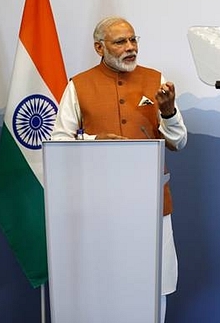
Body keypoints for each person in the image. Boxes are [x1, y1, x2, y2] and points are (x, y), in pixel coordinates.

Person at [51, 16, 187, 322]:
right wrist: (94, 140)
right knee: (99, 284)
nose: (130, 48)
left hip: (151, 204)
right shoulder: (79, 85)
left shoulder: (156, 80)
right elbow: (59, 142)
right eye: (120, 42)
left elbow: (178, 142)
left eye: (133, 40)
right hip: (97, 206)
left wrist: (168, 112)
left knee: (153, 285)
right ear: (99, 47)